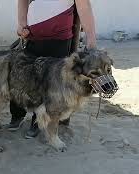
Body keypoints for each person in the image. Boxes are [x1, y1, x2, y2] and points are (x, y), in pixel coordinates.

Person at [6, 0, 97, 138]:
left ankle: (37, 122)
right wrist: (21, 23)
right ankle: (17, 116)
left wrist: (91, 40)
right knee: (20, 78)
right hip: (32, 38)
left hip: (59, 40)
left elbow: (84, 7)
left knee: (49, 84)